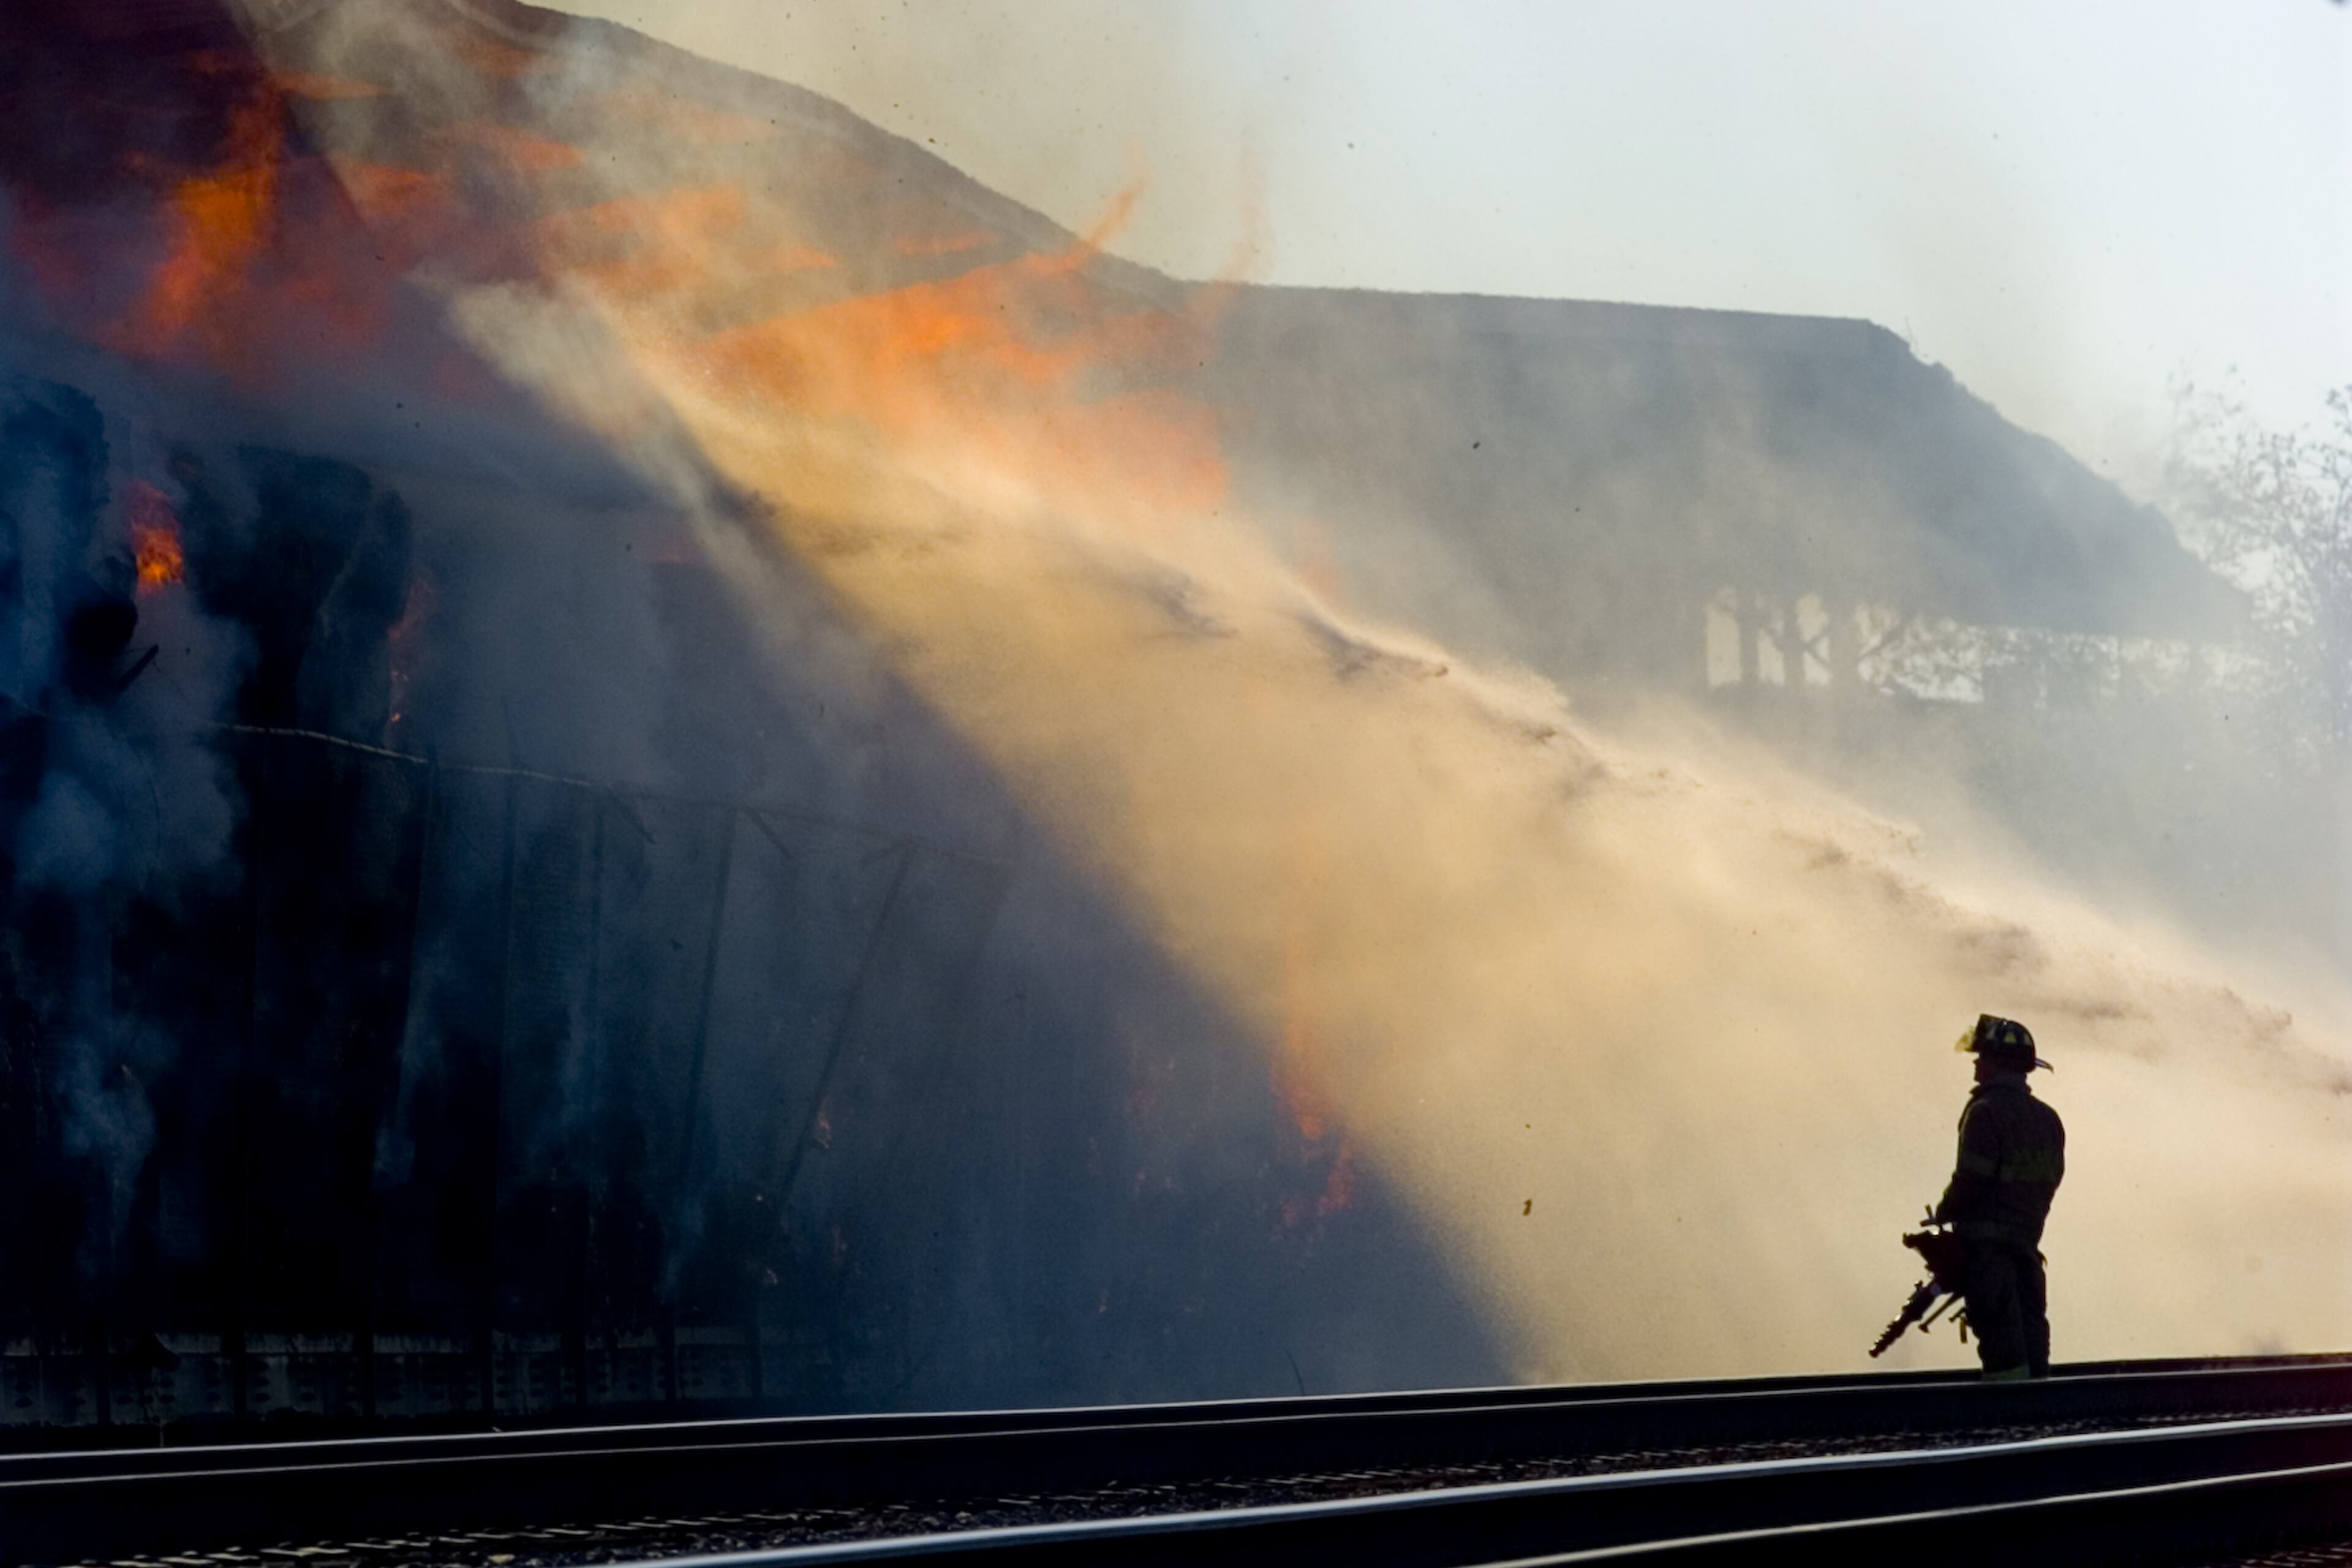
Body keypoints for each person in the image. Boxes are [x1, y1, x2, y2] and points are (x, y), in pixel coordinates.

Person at [1934, 1014, 2064, 1380]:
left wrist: (1944, 1213)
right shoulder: (2048, 1119)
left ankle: (2009, 1415)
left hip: (1987, 1251)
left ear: (1998, 1063)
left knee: (2000, 1332)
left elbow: (1971, 1179)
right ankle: (2040, 1411)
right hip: (2027, 1244)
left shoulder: (1985, 1113)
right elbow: (2049, 1181)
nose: (1976, 1064)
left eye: (1982, 1057)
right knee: (2030, 1327)